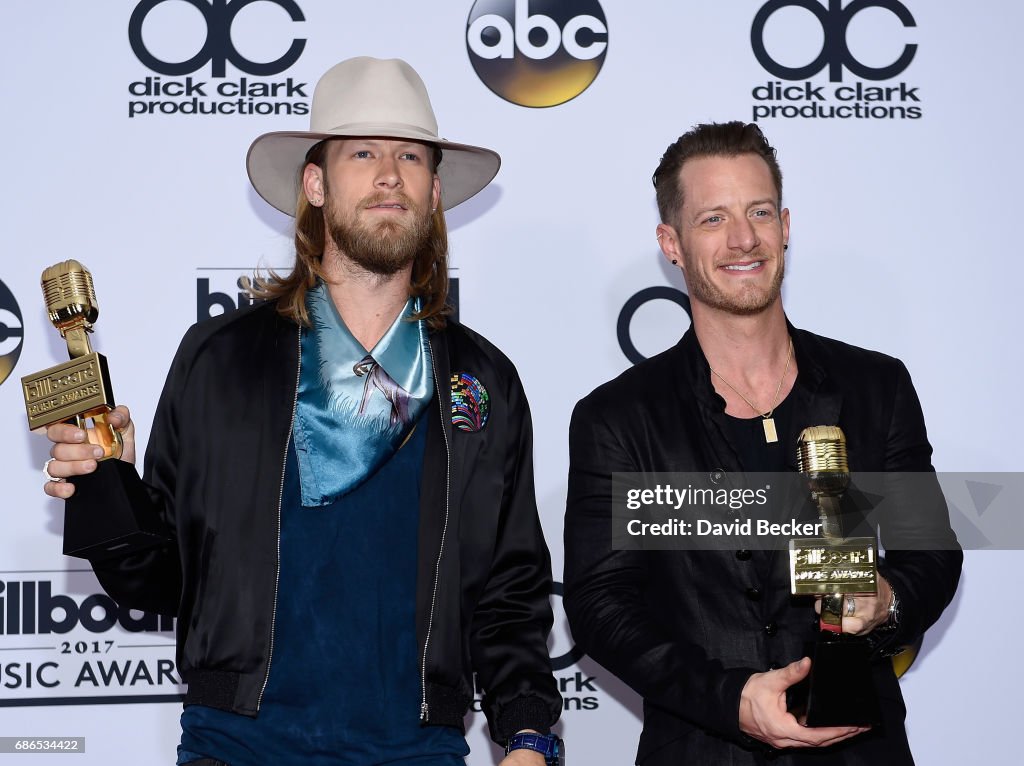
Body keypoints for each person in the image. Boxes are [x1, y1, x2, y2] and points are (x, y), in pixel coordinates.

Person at [42, 57, 562, 766]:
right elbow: (162, 580)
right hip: (235, 748)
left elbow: (511, 593)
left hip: (418, 754)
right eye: (362, 152)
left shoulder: (481, 380)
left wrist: (528, 734)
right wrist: (109, 484)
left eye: (410, 155)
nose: (389, 173)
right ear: (315, 184)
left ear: (434, 191)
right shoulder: (221, 357)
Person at [563, 121, 961, 765]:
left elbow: (932, 553)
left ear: (785, 225)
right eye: (713, 218)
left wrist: (887, 600)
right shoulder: (619, 417)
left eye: (759, 212)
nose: (743, 238)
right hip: (700, 748)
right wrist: (729, 697)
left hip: (861, 747)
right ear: (672, 243)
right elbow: (601, 602)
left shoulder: (875, 387)